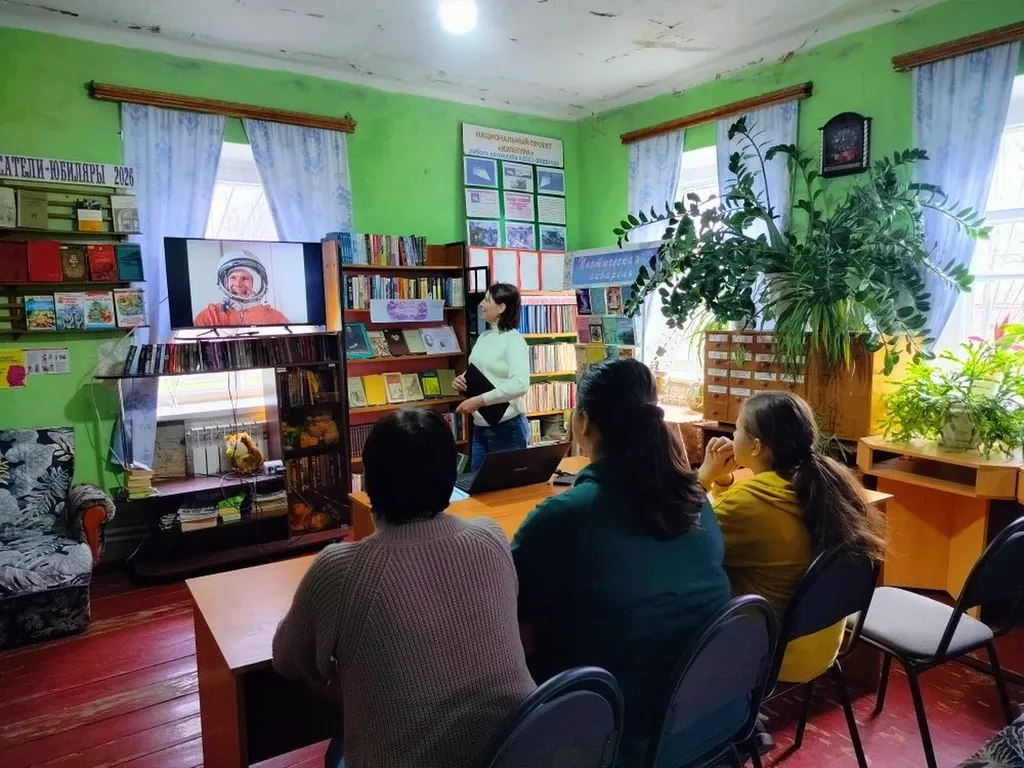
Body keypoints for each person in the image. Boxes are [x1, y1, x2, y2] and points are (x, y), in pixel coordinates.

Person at [272, 409, 535, 768]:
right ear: (452, 477)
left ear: (367, 483)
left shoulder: (340, 570)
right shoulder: (491, 537)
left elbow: (287, 659)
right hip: (516, 752)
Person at [512, 357, 732, 767]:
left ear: (583, 423)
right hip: (710, 710)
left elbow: (505, 613)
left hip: (617, 728)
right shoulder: (695, 499)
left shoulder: (564, 517)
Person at [698, 391, 885, 684]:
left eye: (737, 428)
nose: (732, 435)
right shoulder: (826, 483)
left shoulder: (748, 502)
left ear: (756, 446)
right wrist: (724, 482)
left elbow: (687, 541)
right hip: (821, 642)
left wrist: (703, 479)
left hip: (773, 653)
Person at [454, 283, 530, 471]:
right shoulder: (484, 337)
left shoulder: (514, 341)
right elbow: (480, 370)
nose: (481, 304)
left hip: (507, 428)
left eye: (487, 300)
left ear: (501, 307)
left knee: (505, 486)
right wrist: (461, 379)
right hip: (480, 427)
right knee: (479, 485)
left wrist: (480, 400)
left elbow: (520, 384)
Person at [194, 249, 291, 326]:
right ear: (225, 282)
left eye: (245, 279)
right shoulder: (211, 316)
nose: (238, 284)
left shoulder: (275, 319)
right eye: (233, 278)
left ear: (254, 283)